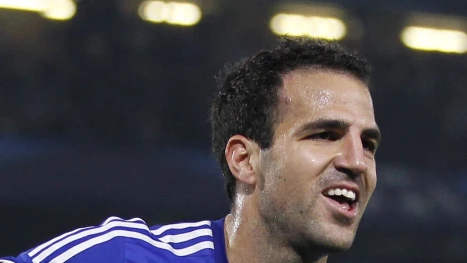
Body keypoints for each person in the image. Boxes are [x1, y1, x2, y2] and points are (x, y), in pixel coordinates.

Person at [0, 37, 381, 263]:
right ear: (244, 160)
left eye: (368, 143)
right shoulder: (127, 257)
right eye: (324, 135)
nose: (356, 161)